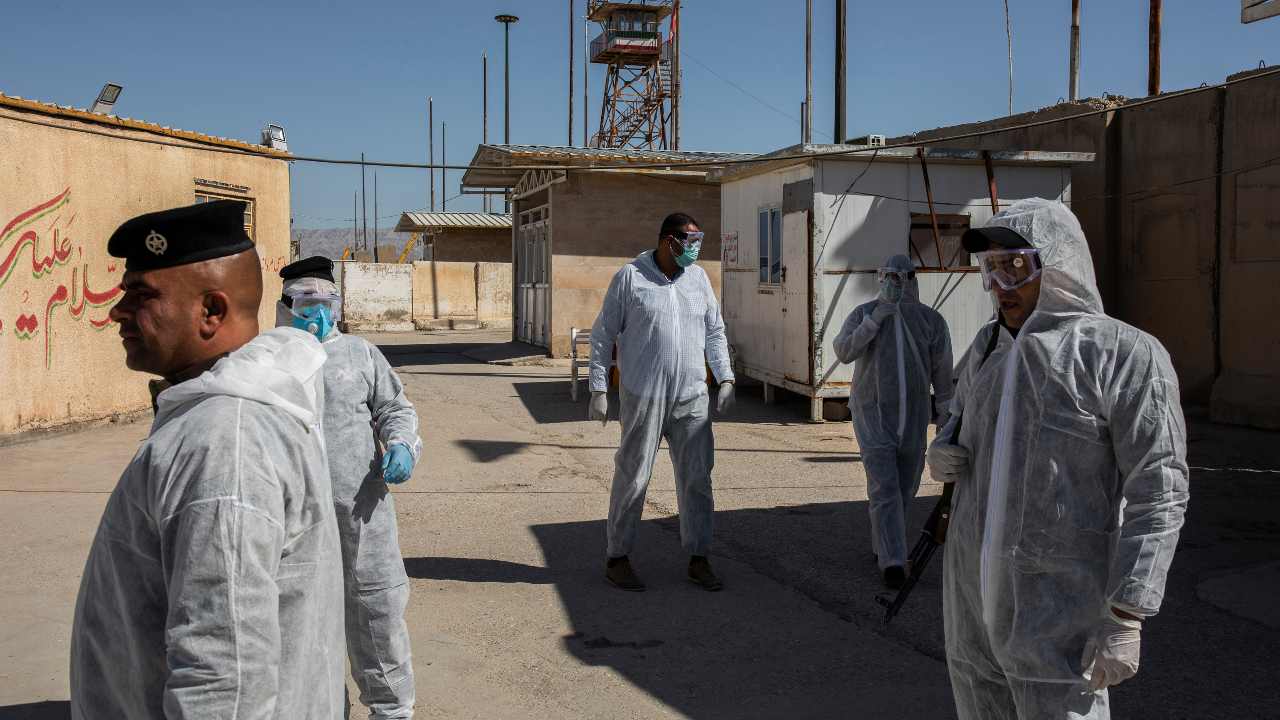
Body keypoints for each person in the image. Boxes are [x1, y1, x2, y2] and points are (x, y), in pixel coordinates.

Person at [70, 200, 345, 718]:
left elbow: (225, 682)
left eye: (141, 295)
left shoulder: (224, 444)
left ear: (211, 311)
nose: (117, 311)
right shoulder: (222, 417)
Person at [926, 198, 1189, 720]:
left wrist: (1128, 610)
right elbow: (957, 419)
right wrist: (943, 449)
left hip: (1060, 629)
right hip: (973, 623)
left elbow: (1159, 488)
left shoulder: (1122, 355)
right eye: (990, 269)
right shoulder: (987, 349)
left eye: (1015, 267)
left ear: (1060, 264)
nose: (1000, 285)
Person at [277, 255, 422, 720]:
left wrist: (401, 444)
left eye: (326, 304)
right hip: (293, 516)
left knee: (376, 610)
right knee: (301, 619)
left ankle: (391, 709)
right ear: (285, 307)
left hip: (361, 510)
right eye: (306, 305)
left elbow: (394, 408)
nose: (318, 315)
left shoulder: (359, 354)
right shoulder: (270, 359)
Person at [589, 212, 735, 592]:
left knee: (697, 479)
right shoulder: (630, 278)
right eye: (690, 241)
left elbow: (715, 331)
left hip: (691, 397)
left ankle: (699, 558)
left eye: (698, 240)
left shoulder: (698, 279)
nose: (695, 249)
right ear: (668, 240)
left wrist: (726, 377)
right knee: (634, 476)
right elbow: (603, 334)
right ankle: (617, 557)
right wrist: (599, 387)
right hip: (644, 395)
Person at [834, 254, 953, 589]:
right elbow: (844, 351)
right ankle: (894, 562)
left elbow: (942, 371)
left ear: (912, 279)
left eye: (900, 277)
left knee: (904, 488)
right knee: (884, 486)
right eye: (887, 276)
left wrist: (946, 413)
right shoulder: (864, 314)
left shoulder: (931, 321)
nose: (893, 283)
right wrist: (876, 319)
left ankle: (884, 545)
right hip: (873, 414)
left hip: (914, 418)